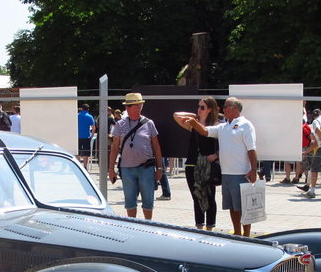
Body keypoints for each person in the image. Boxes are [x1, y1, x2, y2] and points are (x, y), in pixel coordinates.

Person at [189, 96, 258, 235]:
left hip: (241, 173)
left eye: (226, 106)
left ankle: (247, 235)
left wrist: (254, 170)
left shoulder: (246, 125)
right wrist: (193, 122)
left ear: (235, 108)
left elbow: (251, 149)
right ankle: (237, 233)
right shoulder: (223, 126)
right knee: (232, 207)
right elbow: (205, 131)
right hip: (226, 174)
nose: (223, 109)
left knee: (243, 207)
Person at [108, 92, 163, 220]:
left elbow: (156, 147)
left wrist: (160, 168)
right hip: (127, 169)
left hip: (146, 168)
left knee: (148, 201)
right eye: (134, 105)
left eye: (139, 105)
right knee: (130, 202)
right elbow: (115, 148)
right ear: (127, 107)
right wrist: (111, 169)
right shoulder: (120, 124)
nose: (138, 108)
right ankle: (132, 226)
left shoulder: (149, 123)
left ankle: (148, 226)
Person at [173, 96, 220, 230]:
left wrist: (216, 155)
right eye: (198, 106)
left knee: (210, 197)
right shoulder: (193, 123)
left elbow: (224, 144)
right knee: (196, 196)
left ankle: (210, 228)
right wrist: (195, 117)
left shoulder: (216, 125)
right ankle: (199, 227)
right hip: (192, 164)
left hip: (207, 165)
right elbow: (176, 115)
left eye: (202, 107)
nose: (199, 109)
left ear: (210, 109)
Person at [300, 108, 321, 198]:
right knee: (316, 170)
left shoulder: (316, 122)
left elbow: (317, 131)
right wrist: (306, 151)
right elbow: (315, 142)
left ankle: (313, 191)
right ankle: (307, 186)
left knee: (317, 171)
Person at [77, 103, 96, 169]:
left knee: (78, 152)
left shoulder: (77, 115)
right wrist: (92, 135)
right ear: (88, 109)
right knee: (86, 153)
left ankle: (78, 166)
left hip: (78, 136)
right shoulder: (90, 116)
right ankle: (85, 166)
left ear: (82, 108)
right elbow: (93, 128)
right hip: (86, 136)